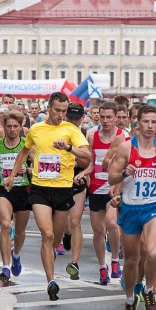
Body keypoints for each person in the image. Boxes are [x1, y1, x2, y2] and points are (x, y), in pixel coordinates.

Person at [5, 92, 90, 300]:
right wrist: (12, 175)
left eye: (64, 111)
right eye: (58, 110)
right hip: (40, 188)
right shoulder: (36, 129)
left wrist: (69, 148)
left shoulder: (71, 130)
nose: (61, 115)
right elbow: (24, 152)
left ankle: (53, 259)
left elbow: (87, 156)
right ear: (49, 108)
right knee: (47, 234)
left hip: (63, 188)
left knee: (55, 240)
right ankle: (51, 281)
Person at [108, 105, 156, 310]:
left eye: (153, 123)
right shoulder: (127, 148)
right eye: (145, 122)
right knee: (132, 259)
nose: (149, 126)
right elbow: (111, 177)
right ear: (137, 123)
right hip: (130, 208)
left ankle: (148, 290)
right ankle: (129, 300)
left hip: (153, 206)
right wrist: (123, 174)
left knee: (153, 252)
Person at [0, 110, 32, 282]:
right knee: (5, 224)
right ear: (3, 127)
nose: (12, 130)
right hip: (4, 190)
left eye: (15, 126)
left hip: (24, 190)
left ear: (21, 128)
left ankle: (16, 254)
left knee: (20, 231)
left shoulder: (27, 145)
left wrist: (28, 169)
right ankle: (5, 267)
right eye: (8, 126)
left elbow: (38, 166)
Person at [83, 102, 124, 284]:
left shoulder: (122, 138)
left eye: (109, 117)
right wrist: (83, 173)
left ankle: (115, 260)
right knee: (98, 231)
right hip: (95, 187)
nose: (105, 120)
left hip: (112, 188)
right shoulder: (92, 136)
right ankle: (102, 267)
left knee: (112, 223)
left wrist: (119, 186)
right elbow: (92, 163)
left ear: (116, 117)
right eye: (102, 116)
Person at [61, 103, 90, 281]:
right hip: (59, 181)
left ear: (81, 118)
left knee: (75, 221)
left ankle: (74, 263)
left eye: (76, 118)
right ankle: (66, 234)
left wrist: (75, 160)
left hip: (78, 180)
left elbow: (87, 163)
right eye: (69, 118)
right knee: (65, 223)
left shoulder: (86, 135)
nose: (72, 121)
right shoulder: (58, 133)